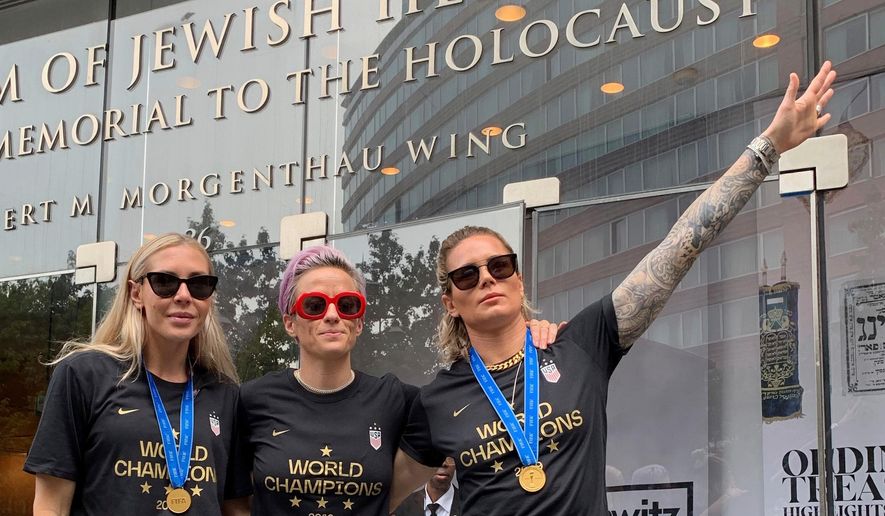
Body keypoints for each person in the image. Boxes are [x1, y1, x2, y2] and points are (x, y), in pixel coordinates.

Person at [390, 61, 838, 515]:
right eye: (467, 275)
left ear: (518, 278)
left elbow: (678, 248)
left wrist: (768, 148)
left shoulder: (579, 346)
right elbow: (378, 495)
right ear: (450, 301)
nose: (487, 277)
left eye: (500, 265)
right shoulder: (436, 400)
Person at [227, 246, 560, 514]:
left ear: (359, 322)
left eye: (347, 305)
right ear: (290, 322)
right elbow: (234, 503)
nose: (332, 315)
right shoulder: (251, 400)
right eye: (314, 305)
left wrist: (527, 337)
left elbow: (483, 400)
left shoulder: (397, 400)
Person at [24, 233, 242, 515]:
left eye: (199, 284)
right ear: (136, 294)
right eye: (165, 282)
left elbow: (235, 508)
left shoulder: (225, 393)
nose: (183, 295)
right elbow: (51, 507)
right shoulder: (84, 375)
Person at [393, 457, 460, 516]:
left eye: (450, 457)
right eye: (436, 455)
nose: (444, 463)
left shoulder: (465, 504)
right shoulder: (402, 506)